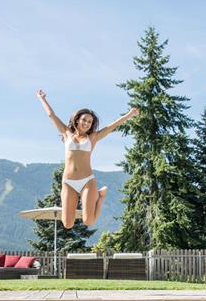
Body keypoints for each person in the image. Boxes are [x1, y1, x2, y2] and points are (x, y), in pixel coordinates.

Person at [36, 89, 137, 228]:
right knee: (67, 224)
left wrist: (129, 115)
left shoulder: (92, 138)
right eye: (84, 120)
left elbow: (112, 126)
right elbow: (51, 115)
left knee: (88, 221)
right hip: (68, 182)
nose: (87, 123)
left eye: (90, 122)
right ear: (77, 120)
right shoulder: (66, 133)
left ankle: (100, 198)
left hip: (87, 181)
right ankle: (96, 197)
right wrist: (42, 98)